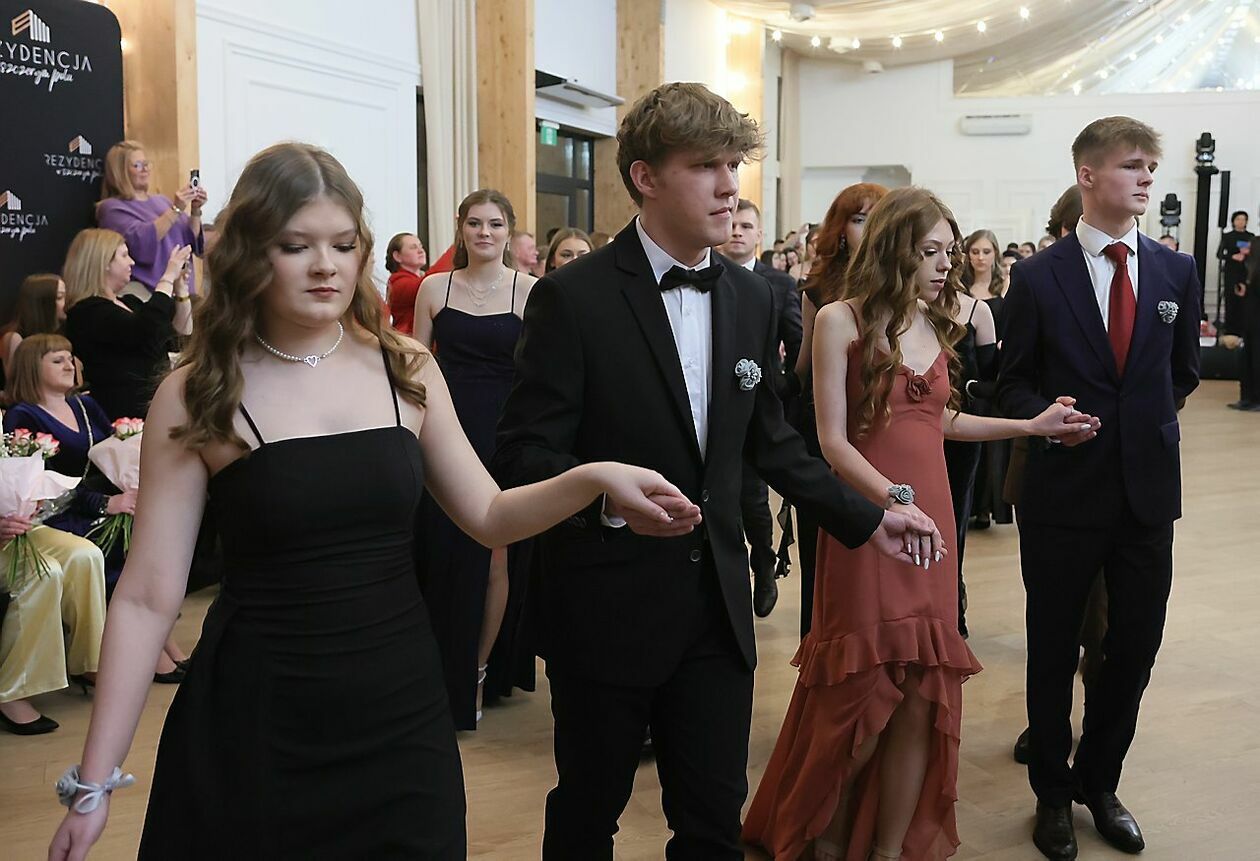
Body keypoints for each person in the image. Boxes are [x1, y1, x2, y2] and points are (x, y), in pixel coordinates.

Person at [47, 142, 691, 860]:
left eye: (343, 244)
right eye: (296, 245)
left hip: (399, 711)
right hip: (257, 716)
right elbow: (145, 598)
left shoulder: (404, 367)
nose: (325, 265)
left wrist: (592, 478)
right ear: (251, 253)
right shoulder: (199, 392)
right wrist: (93, 781)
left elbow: (488, 515)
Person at [492, 81, 943, 861]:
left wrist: (870, 516)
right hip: (606, 607)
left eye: (733, 164)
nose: (730, 185)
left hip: (717, 611)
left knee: (712, 824)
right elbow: (523, 455)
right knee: (587, 812)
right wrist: (605, 497)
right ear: (645, 176)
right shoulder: (572, 299)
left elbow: (771, 440)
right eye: (706, 165)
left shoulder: (751, 295)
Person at [745, 186, 1095, 861]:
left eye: (949, 251)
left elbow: (941, 420)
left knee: (918, 696)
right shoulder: (839, 319)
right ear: (895, 248)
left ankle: (888, 848)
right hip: (869, 522)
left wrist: (1031, 425)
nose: (945, 264)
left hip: (930, 522)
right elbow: (832, 441)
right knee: (858, 695)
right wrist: (891, 500)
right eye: (930, 251)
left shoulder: (933, 323)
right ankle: (825, 839)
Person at [999, 116, 1201, 860]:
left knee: (1135, 646)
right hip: (1062, 493)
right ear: (1088, 175)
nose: (1147, 177)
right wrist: (1044, 418)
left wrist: (1136, 429)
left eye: (1151, 166)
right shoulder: (1037, 276)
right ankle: (1052, 794)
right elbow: (1011, 382)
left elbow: (1181, 375)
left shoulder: (1175, 271)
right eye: (1131, 165)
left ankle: (1100, 779)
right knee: (1053, 649)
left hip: (1146, 494)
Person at [411, 189, 538, 729]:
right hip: (443, 428)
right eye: (475, 223)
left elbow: (540, 375)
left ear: (509, 230)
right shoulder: (434, 287)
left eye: (495, 223)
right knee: (438, 550)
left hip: (501, 434)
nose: (484, 232)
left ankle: (478, 670)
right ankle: (431, 670)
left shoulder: (529, 290)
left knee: (493, 556)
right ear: (461, 228)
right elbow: (416, 367)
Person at [2, 335, 191, 682]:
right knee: (121, 547)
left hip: (97, 505)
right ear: (31, 367)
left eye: (70, 357)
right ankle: (140, 651)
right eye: (57, 359)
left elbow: (113, 450)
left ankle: (163, 643)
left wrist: (127, 489)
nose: (69, 364)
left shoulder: (84, 405)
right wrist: (105, 503)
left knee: (150, 537)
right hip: (55, 513)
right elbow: (37, 482)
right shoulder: (22, 415)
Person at [794, 182, 888, 637]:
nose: (868, 229)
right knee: (823, 545)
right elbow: (803, 367)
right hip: (826, 426)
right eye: (858, 219)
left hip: (885, 426)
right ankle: (821, 641)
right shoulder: (818, 289)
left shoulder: (901, 284)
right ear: (840, 228)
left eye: (876, 218)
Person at [718, 198, 802, 617]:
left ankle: (764, 563)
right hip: (714, 403)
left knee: (753, 496)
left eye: (746, 226)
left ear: (759, 235)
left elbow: (797, 342)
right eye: (733, 223)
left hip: (758, 405)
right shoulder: (707, 273)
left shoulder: (779, 284)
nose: (737, 231)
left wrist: (779, 388)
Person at [62, 228, 192, 420]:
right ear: (103, 263)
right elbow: (145, 330)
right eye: (124, 255)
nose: (132, 262)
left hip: (157, 405)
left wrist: (181, 290)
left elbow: (179, 336)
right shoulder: (87, 311)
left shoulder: (131, 303)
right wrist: (166, 278)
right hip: (124, 413)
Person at [0, 519, 106, 735]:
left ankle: (89, 662)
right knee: (42, 572)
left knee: (85, 556)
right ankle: (13, 691)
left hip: (20, 529)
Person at [95, 140, 206, 298]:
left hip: (182, 289)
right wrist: (176, 209)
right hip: (147, 293)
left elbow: (190, 239)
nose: (145, 169)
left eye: (146, 164)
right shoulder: (112, 209)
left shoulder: (162, 201)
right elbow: (141, 242)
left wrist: (195, 210)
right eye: (137, 165)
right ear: (120, 172)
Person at [960, 228, 1012, 531]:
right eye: (975, 251)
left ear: (995, 254)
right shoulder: (961, 290)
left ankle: (985, 508)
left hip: (994, 372)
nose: (980, 257)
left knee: (993, 448)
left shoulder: (1005, 288)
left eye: (986, 251)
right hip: (969, 372)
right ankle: (970, 506)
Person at [0, 272, 65, 386]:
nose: (67, 301)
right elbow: (17, 386)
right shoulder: (15, 338)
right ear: (43, 303)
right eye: (60, 297)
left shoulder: (60, 334)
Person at [1218, 210, 1254, 336]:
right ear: (1233, 221)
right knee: (1230, 299)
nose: (1241, 222)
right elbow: (1219, 254)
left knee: (1244, 301)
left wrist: (1247, 254)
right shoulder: (1227, 236)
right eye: (1238, 219)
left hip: (1246, 272)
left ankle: (1242, 330)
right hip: (1231, 271)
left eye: (1243, 219)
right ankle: (1230, 329)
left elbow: (1255, 254)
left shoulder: (1251, 236)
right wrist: (1232, 257)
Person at [384, 231, 427, 335]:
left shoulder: (423, 277)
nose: (421, 251)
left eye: (421, 246)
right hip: (408, 341)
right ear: (397, 256)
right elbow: (427, 284)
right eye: (413, 247)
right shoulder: (397, 283)